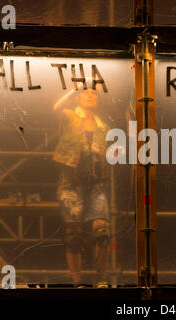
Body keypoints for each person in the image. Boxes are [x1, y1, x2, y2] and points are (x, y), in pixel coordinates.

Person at [53, 87, 111, 288]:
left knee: (102, 230)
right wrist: (72, 91)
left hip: (95, 182)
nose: (90, 95)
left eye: (94, 92)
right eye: (86, 92)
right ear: (78, 97)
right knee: (74, 234)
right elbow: (56, 108)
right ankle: (77, 281)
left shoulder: (102, 125)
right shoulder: (71, 116)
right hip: (72, 181)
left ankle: (101, 277)